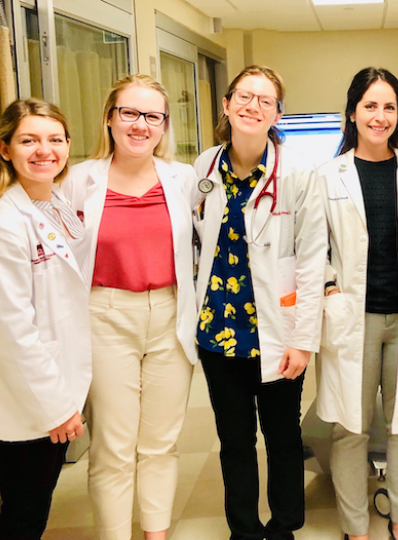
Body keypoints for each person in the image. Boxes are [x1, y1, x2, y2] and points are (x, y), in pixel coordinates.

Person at [315, 67, 398, 540]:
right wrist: (330, 291)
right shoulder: (328, 175)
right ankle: (356, 528)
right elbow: (316, 247)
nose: (380, 116)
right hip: (353, 317)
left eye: (389, 106)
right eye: (370, 106)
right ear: (352, 112)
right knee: (349, 427)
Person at [192, 65, 326, 540]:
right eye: (244, 97)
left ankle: (285, 526)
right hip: (217, 331)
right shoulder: (205, 167)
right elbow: (193, 245)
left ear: (277, 114)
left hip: (278, 331)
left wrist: (304, 339)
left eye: (265, 100)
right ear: (226, 105)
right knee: (234, 441)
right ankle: (244, 530)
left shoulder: (299, 174)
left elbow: (313, 261)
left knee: (283, 438)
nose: (253, 106)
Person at [63, 74, 198, 540]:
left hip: (170, 314)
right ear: (110, 117)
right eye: (130, 113)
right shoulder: (78, 179)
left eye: (152, 116)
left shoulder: (184, 179)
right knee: (114, 447)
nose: (140, 125)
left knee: (161, 442)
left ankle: (156, 533)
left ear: (163, 125)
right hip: (105, 316)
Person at [0, 99, 91, 540]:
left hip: (54, 382)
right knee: (24, 511)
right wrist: (56, 404)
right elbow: (12, 326)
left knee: (33, 502)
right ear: (5, 150)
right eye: (28, 140)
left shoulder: (55, 204)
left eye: (55, 140)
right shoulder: (6, 219)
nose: (44, 150)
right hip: (29, 398)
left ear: (68, 147)